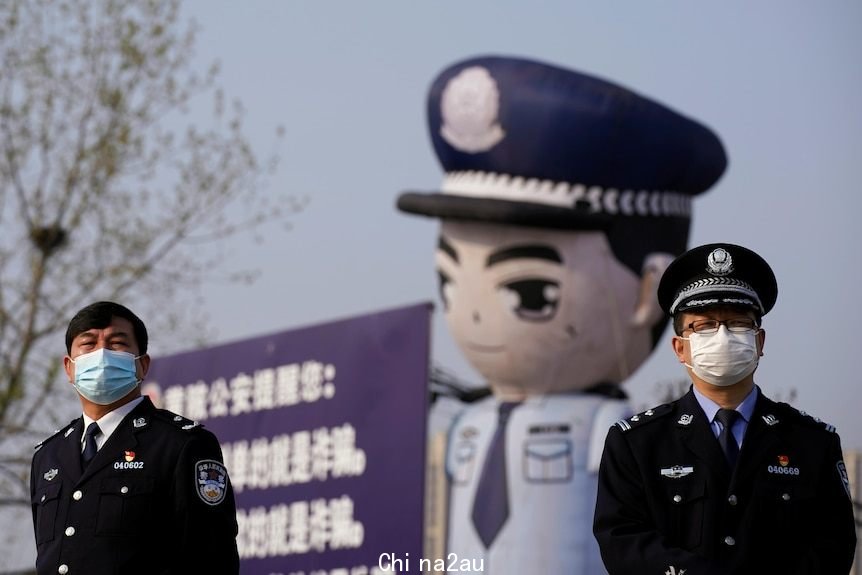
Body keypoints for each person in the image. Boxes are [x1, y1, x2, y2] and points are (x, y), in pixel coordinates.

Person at [397, 55, 727, 573]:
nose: (475, 317)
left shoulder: (608, 428)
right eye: (450, 282)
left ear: (649, 292)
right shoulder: (467, 424)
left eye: (531, 293)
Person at [593, 243, 857, 574]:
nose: (723, 336)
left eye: (737, 323)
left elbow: (833, 544)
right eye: (703, 326)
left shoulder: (812, 442)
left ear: (759, 342)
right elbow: (623, 542)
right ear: (680, 348)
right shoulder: (636, 443)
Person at [30, 301, 240, 575]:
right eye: (89, 343)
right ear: (69, 367)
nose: (102, 354)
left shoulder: (180, 444)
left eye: (117, 343)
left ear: (142, 365)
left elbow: (212, 559)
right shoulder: (48, 456)